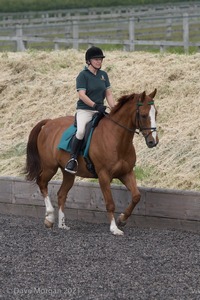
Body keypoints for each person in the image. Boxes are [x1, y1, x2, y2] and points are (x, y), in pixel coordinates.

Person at [64, 46, 115, 174]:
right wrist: (95, 105)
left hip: (100, 110)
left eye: (100, 59)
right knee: (81, 131)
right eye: (96, 59)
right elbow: (82, 94)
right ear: (88, 61)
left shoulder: (103, 75)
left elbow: (108, 94)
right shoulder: (83, 75)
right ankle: (73, 159)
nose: (99, 62)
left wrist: (114, 109)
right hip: (85, 110)